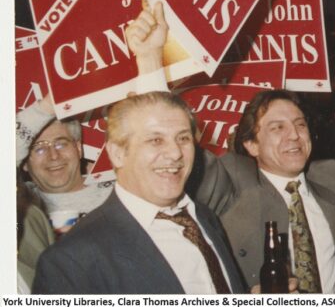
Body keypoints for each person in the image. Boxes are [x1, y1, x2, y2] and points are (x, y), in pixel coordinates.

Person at [126, 1, 335, 293]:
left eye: (300, 124)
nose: (294, 135)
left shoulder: (332, 176)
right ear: (251, 144)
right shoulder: (232, 180)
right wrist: (150, 59)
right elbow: (174, 148)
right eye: (277, 127)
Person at [33, 92, 248, 294]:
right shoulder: (71, 261)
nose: (175, 153)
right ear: (117, 154)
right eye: (155, 140)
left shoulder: (205, 219)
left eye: (183, 138)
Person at [15, 97, 114, 235]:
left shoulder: (115, 192)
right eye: (39, 149)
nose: (54, 156)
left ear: (78, 149)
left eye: (61, 144)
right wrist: (48, 106)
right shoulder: (22, 204)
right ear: (24, 162)